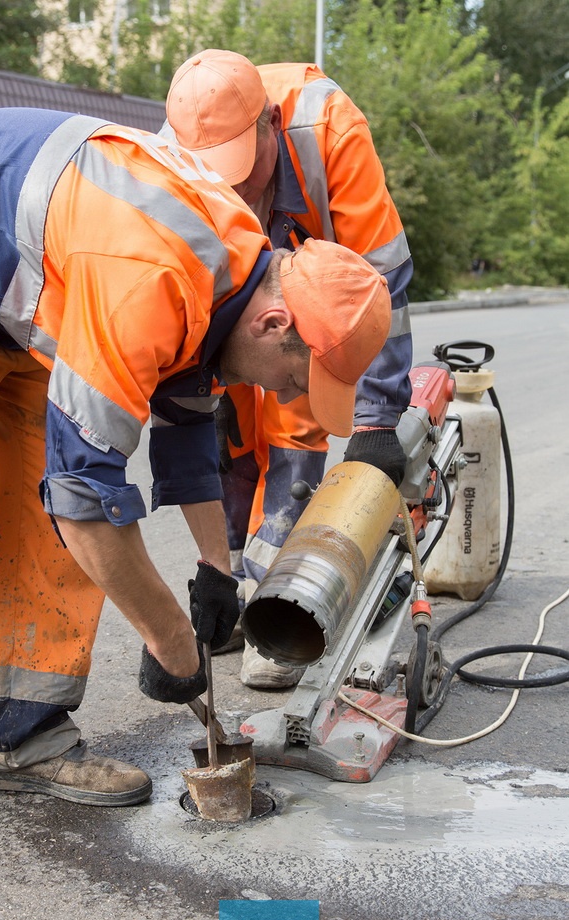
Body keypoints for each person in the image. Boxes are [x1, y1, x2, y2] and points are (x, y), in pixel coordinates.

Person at [0, 107, 391, 831]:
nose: (286, 397)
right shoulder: (150, 276)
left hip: (21, 291)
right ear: (275, 324)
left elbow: (187, 420)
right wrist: (172, 641)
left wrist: (215, 569)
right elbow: (86, 501)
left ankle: (19, 734)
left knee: (45, 519)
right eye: (295, 380)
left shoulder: (236, 270)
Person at [163, 50, 414, 688]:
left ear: (271, 127)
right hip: (238, 309)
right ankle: (234, 594)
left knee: (297, 417)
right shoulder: (172, 153)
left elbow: (376, 283)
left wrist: (378, 416)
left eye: (246, 173)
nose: (239, 193)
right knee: (231, 432)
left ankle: (273, 608)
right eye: (223, 180)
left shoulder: (327, 129)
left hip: (310, 300)